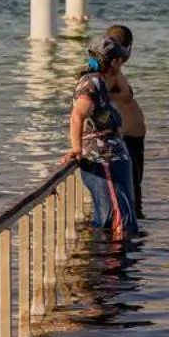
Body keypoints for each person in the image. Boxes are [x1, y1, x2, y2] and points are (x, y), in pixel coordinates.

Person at [62, 36, 138, 236]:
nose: (121, 65)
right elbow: (78, 115)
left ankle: (111, 252)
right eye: (120, 61)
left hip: (110, 159)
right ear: (114, 61)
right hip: (104, 159)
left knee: (114, 216)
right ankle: (113, 255)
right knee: (118, 219)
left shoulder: (98, 81)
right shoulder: (92, 83)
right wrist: (77, 149)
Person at [103, 23, 149, 218]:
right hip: (126, 139)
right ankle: (130, 228)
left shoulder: (115, 69)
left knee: (133, 189)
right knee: (130, 190)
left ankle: (133, 225)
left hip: (131, 139)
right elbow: (96, 95)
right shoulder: (109, 72)